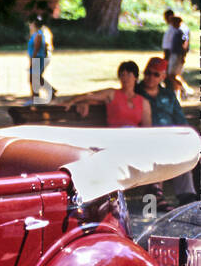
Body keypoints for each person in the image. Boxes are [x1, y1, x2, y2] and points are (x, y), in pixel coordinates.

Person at [138, 56, 196, 206]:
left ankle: (187, 198)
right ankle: (154, 195)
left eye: (156, 74)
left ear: (163, 77)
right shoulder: (136, 93)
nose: (150, 77)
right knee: (162, 148)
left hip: (170, 138)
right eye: (148, 73)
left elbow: (181, 120)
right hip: (145, 138)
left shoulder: (168, 95)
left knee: (184, 152)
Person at [66, 61, 151, 127]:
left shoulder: (143, 102)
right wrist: (72, 101)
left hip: (134, 137)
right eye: (122, 75)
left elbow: (147, 129)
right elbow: (89, 96)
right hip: (114, 135)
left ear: (135, 77)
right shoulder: (111, 94)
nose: (125, 78)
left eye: (128, 75)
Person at [26, 14, 55, 100]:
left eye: (31, 23)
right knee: (34, 78)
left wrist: (33, 59)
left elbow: (37, 48)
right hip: (37, 58)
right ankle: (37, 95)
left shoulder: (38, 34)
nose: (29, 25)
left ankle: (36, 96)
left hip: (37, 58)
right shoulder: (36, 34)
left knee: (34, 78)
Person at [167, 13, 191, 98]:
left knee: (171, 75)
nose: (172, 25)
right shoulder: (178, 29)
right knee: (175, 75)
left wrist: (183, 56)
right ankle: (177, 94)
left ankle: (185, 88)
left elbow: (185, 43)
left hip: (178, 55)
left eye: (173, 23)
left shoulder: (182, 30)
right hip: (175, 54)